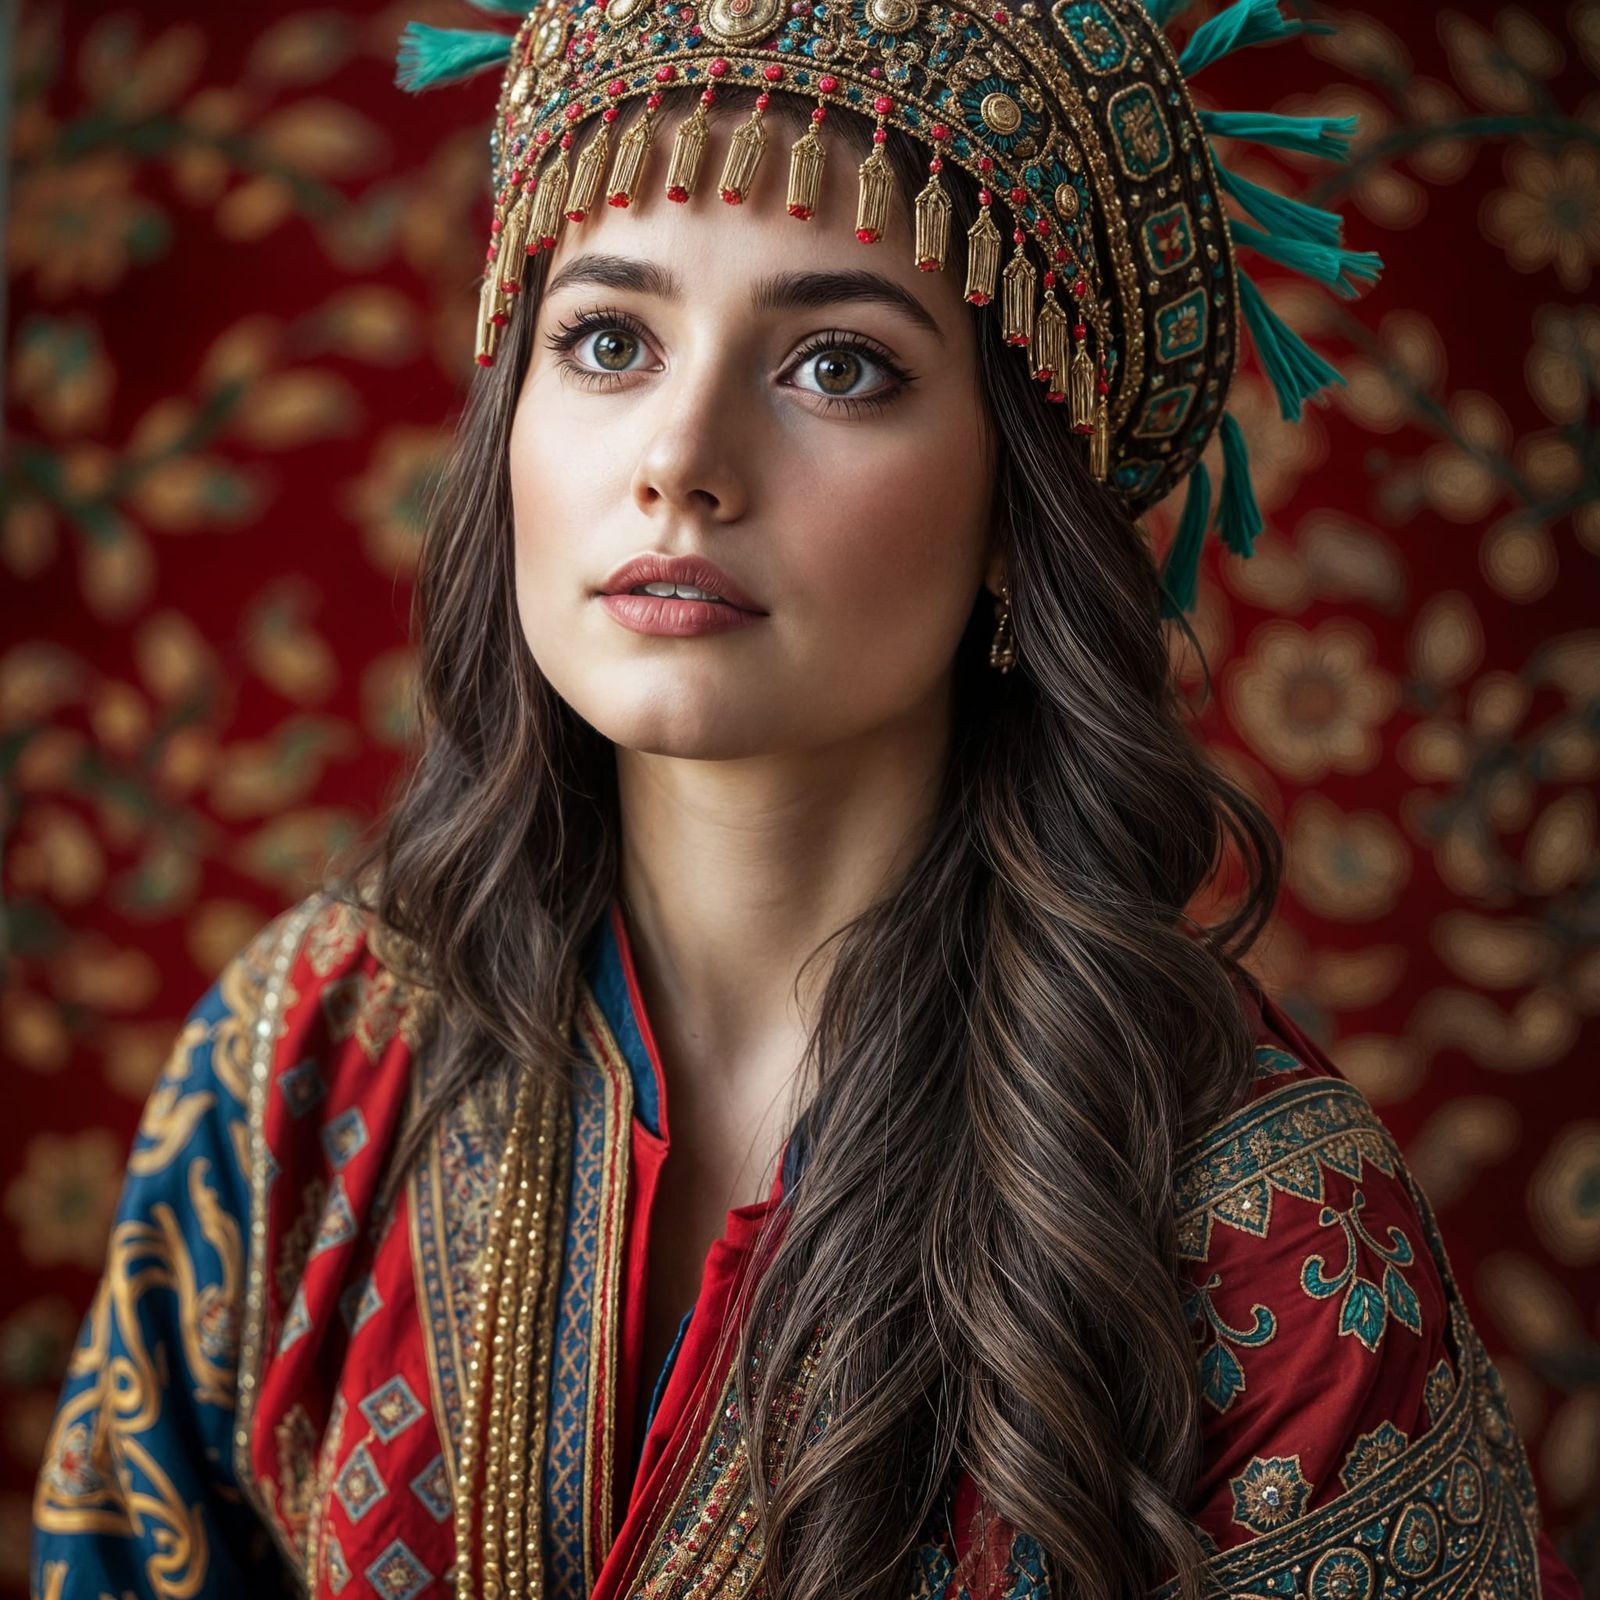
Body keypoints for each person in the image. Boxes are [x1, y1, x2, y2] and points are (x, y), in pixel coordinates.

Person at [29, 1, 1583, 1598]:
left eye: (839, 364)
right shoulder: (311, 1056)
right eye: (610, 341)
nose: (682, 461)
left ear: (1013, 507)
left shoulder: (1276, 1249)